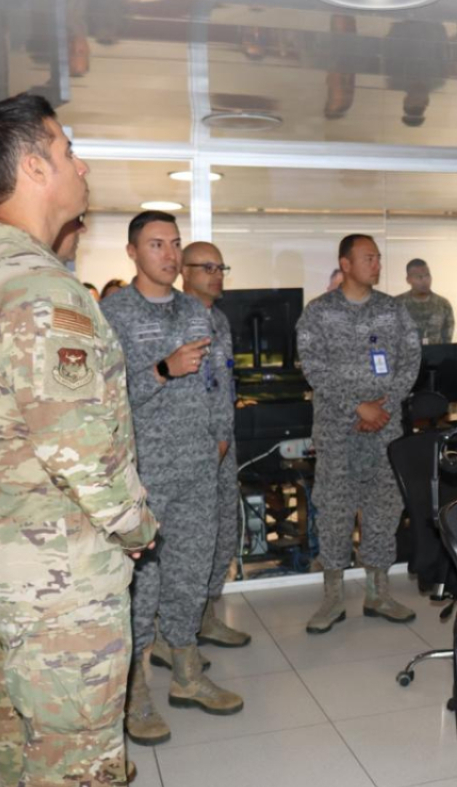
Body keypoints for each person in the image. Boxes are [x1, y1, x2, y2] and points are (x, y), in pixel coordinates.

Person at [0, 93, 157, 786]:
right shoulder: (38, 291)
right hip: (61, 584)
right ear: (33, 167)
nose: (80, 165)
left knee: (36, 752)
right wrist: (136, 525)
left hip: (9, 562)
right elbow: (83, 449)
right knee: (80, 764)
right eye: (67, 150)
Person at [102, 211, 244, 746]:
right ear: (132, 252)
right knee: (142, 584)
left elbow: (216, 378)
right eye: (155, 244)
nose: (168, 253)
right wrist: (161, 370)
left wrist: (220, 433)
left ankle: (187, 674)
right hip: (143, 474)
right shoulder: (112, 313)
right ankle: (136, 694)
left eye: (174, 244)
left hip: (198, 466)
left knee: (189, 569)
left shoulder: (196, 310)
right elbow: (102, 396)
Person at [297, 233, 422, 633]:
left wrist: (383, 407)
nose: (377, 264)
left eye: (378, 258)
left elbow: (411, 360)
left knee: (384, 509)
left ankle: (377, 591)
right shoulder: (317, 313)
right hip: (338, 431)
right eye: (368, 258)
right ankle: (332, 597)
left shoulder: (394, 311)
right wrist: (357, 405)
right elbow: (314, 368)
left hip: (385, 429)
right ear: (346, 264)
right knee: (335, 510)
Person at [181, 241, 251, 648]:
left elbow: (222, 383)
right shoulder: (175, 318)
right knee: (189, 543)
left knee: (224, 532)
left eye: (220, 266)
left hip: (224, 448)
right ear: (184, 272)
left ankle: (206, 617)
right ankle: (177, 633)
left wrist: (224, 436)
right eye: (206, 267)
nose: (216, 273)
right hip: (188, 449)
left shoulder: (220, 320)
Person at [395, 257, 454, 344]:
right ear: (408, 279)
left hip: (436, 356)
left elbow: (447, 340)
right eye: (419, 277)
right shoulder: (396, 304)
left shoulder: (443, 304)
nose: (424, 280)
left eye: (427, 275)